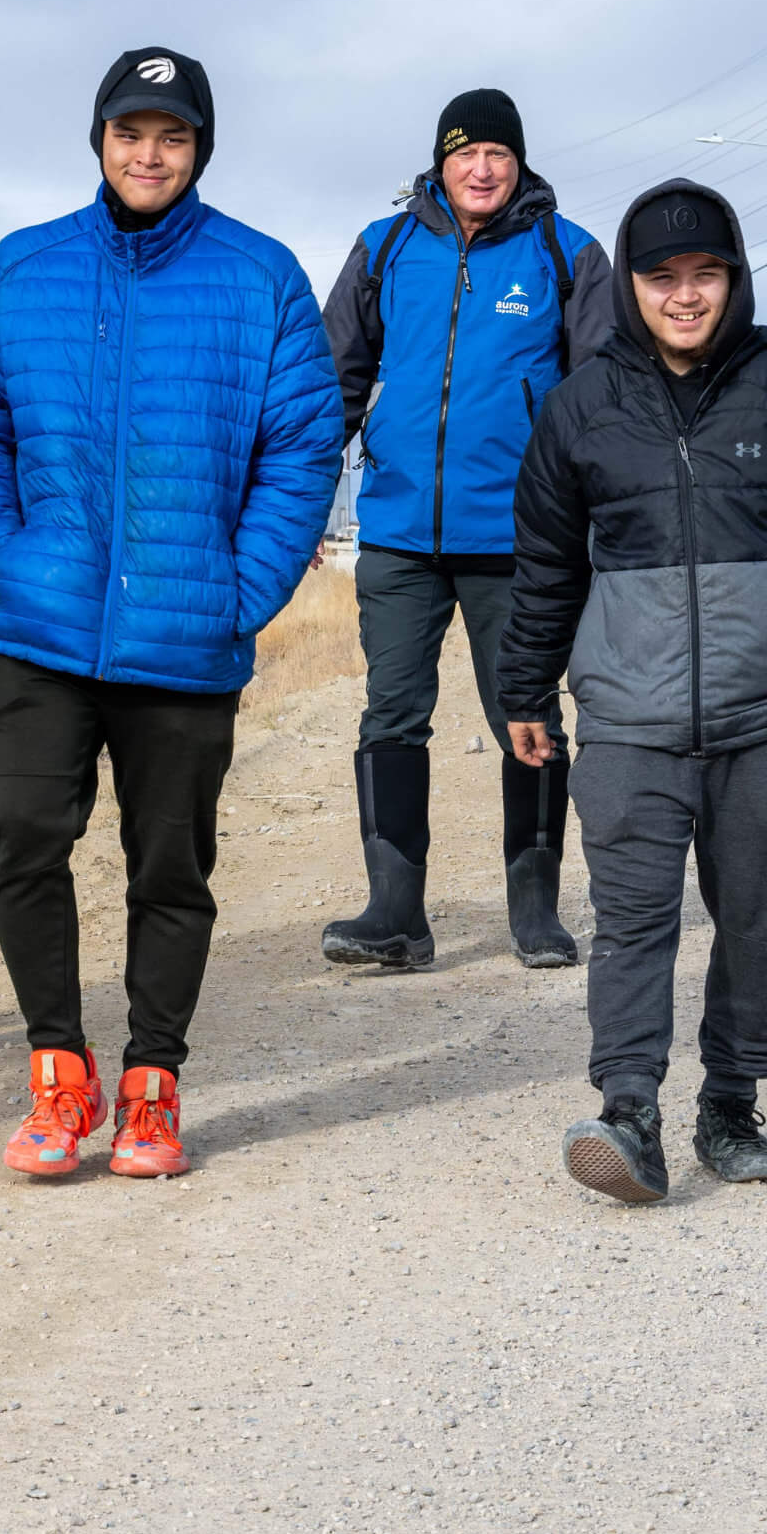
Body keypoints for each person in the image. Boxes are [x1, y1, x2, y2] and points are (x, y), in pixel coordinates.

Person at [0, 48, 342, 1179]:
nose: (147, 153)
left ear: (200, 147)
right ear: (99, 140)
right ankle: (59, 1074)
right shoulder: (25, 266)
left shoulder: (260, 275)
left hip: (185, 631)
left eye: (171, 134)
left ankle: (153, 1086)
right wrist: (1, 557)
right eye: (129, 131)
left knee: (169, 866)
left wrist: (244, 588)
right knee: (20, 835)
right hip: (34, 626)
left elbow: (304, 445)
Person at [500, 180, 767, 1204]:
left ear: (733, 277)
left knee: (759, 917)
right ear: (630, 284)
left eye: (705, 273)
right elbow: (543, 563)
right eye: (663, 276)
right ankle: (630, 1112)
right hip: (628, 716)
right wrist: (525, 692)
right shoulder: (581, 405)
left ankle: (732, 1103)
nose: (685, 295)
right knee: (633, 921)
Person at [320, 89, 612, 972]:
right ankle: (395, 915)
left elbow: (601, 399)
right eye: (465, 153)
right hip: (401, 531)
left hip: (518, 538)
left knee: (525, 714)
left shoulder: (567, 254)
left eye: (498, 153)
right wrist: (292, 503)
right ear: (440, 163)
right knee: (391, 714)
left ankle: (535, 908)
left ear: (519, 163)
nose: (482, 169)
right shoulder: (387, 247)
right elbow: (335, 377)